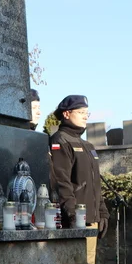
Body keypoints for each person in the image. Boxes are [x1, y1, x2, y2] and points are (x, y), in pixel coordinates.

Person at [49, 95, 109, 239]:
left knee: (89, 262)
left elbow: (94, 184)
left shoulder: (87, 145)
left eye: (86, 113)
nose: (85, 117)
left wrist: (102, 212)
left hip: (91, 220)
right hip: (75, 221)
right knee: (78, 262)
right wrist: (72, 215)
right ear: (66, 113)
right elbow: (61, 181)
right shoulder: (60, 140)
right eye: (81, 112)